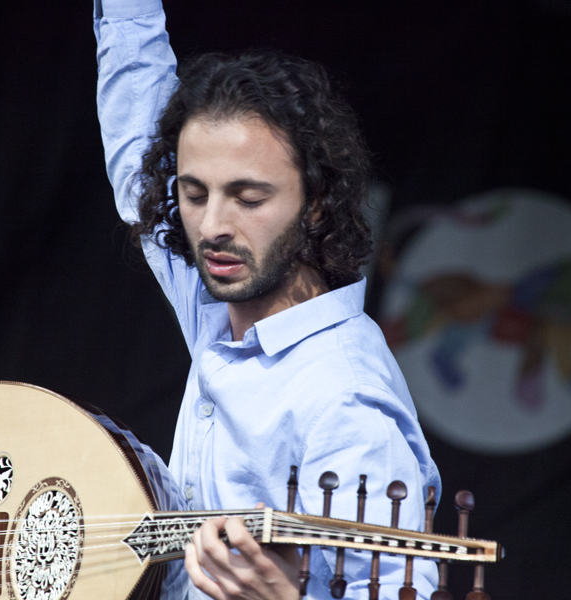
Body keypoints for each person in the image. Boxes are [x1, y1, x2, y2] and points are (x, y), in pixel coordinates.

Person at [94, 1, 441, 598]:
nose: (212, 227)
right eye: (194, 194)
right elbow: (136, 148)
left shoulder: (344, 401)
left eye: (249, 198)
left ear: (314, 202)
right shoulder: (220, 299)